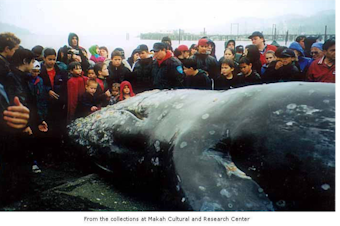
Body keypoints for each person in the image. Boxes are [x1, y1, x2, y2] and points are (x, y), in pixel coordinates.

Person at [40, 48, 68, 135]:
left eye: (54, 59)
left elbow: (64, 87)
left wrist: (63, 100)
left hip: (58, 102)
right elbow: (37, 84)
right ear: (44, 58)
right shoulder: (39, 71)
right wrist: (47, 91)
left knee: (58, 126)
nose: (52, 62)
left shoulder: (61, 71)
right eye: (49, 59)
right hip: (45, 103)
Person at [28, 61, 48, 133]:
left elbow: (42, 98)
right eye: (34, 71)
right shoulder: (26, 80)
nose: (35, 73)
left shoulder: (40, 80)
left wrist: (42, 116)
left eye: (37, 71)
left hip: (40, 109)